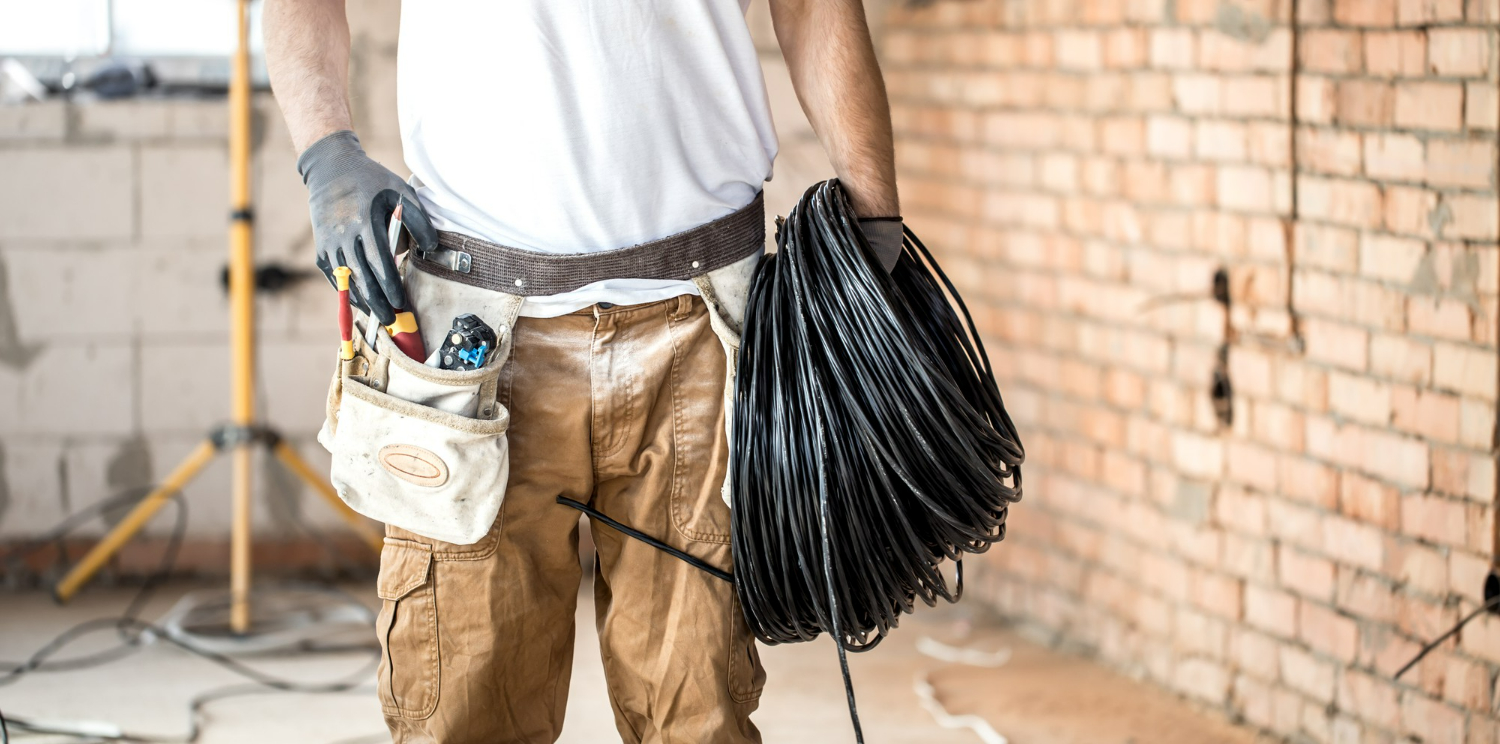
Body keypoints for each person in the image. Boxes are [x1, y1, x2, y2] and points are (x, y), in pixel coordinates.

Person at [265, 1, 901, 742]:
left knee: (700, 715)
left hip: (705, 329)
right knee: (464, 713)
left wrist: (876, 216)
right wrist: (323, 150)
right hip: (480, 346)